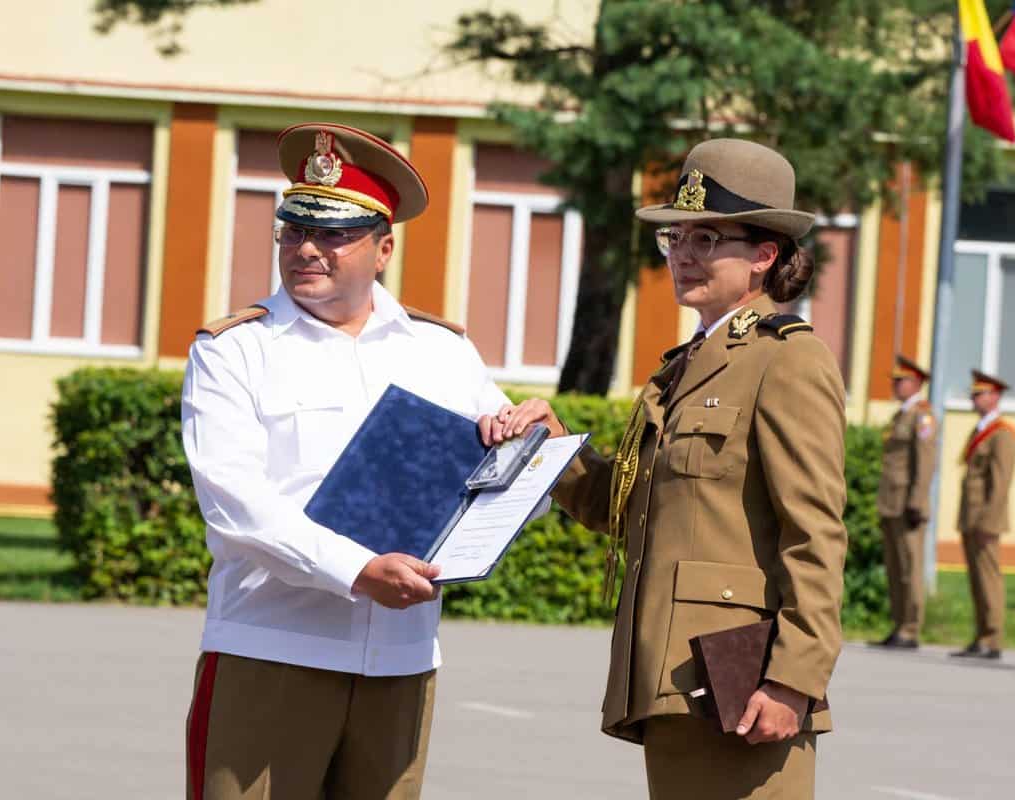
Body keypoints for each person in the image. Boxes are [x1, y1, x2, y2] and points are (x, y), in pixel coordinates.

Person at [480, 139, 847, 799]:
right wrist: (550, 440)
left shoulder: (786, 360)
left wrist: (794, 677)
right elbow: (618, 509)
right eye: (676, 237)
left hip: (743, 680)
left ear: (765, 254)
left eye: (707, 238)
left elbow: (814, 534)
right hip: (680, 675)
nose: (682, 254)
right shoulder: (688, 365)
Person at [180, 123, 511, 799]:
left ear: (384, 247)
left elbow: (500, 469)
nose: (305, 248)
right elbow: (235, 500)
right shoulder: (235, 349)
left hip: (402, 659)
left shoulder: (442, 351)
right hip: (273, 649)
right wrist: (357, 571)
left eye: (333, 234)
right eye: (292, 229)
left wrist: (530, 436)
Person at [952, 369, 1015, 660]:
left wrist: (989, 519)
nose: (974, 398)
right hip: (973, 515)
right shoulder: (981, 430)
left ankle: (992, 637)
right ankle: (981, 635)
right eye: (973, 393)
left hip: (986, 518)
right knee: (977, 579)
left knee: (989, 577)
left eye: (980, 394)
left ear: (995, 397)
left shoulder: (1002, 434)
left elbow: (1000, 482)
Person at [874, 355, 937, 649]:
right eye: (895, 380)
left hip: (907, 504)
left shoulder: (922, 416)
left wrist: (917, 501)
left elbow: (924, 463)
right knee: (896, 568)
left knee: (910, 568)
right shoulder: (901, 415)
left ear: (917, 384)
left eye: (902, 381)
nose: (897, 385)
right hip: (891, 502)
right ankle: (899, 623)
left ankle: (911, 627)